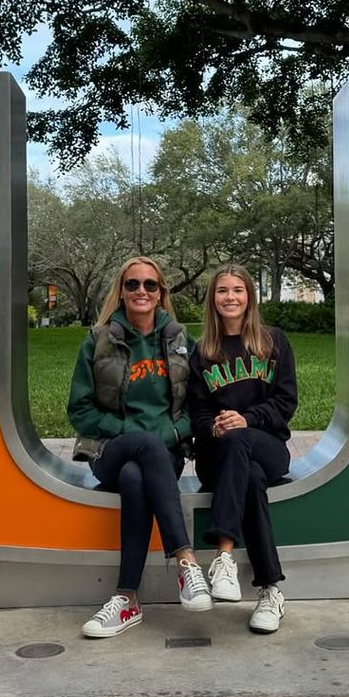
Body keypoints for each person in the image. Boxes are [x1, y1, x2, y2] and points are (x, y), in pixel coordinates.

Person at [68, 255, 212, 637]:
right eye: (133, 284)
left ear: (162, 293)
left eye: (150, 285)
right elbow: (79, 409)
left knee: (136, 478)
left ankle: (126, 600)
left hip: (162, 459)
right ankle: (185, 561)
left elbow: (197, 406)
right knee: (136, 455)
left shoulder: (181, 340)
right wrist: (129, 430)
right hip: (108, 450)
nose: (141, 291)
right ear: (122, 290)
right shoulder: (99, 340)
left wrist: (169, 435)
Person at [187, 264, 297, 634]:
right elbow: (196, 412)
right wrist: (214, 426)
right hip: (218, 455)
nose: (230, 297)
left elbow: (285, 402)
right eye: (222, 290)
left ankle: (224, 557)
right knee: (249, 476)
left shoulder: (273, 341)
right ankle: (270, 590)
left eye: (237, 290)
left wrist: (246, 420)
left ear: (250, 296)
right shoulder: (202, 351)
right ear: (212, 298)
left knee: (243, 443)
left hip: (268, 446)